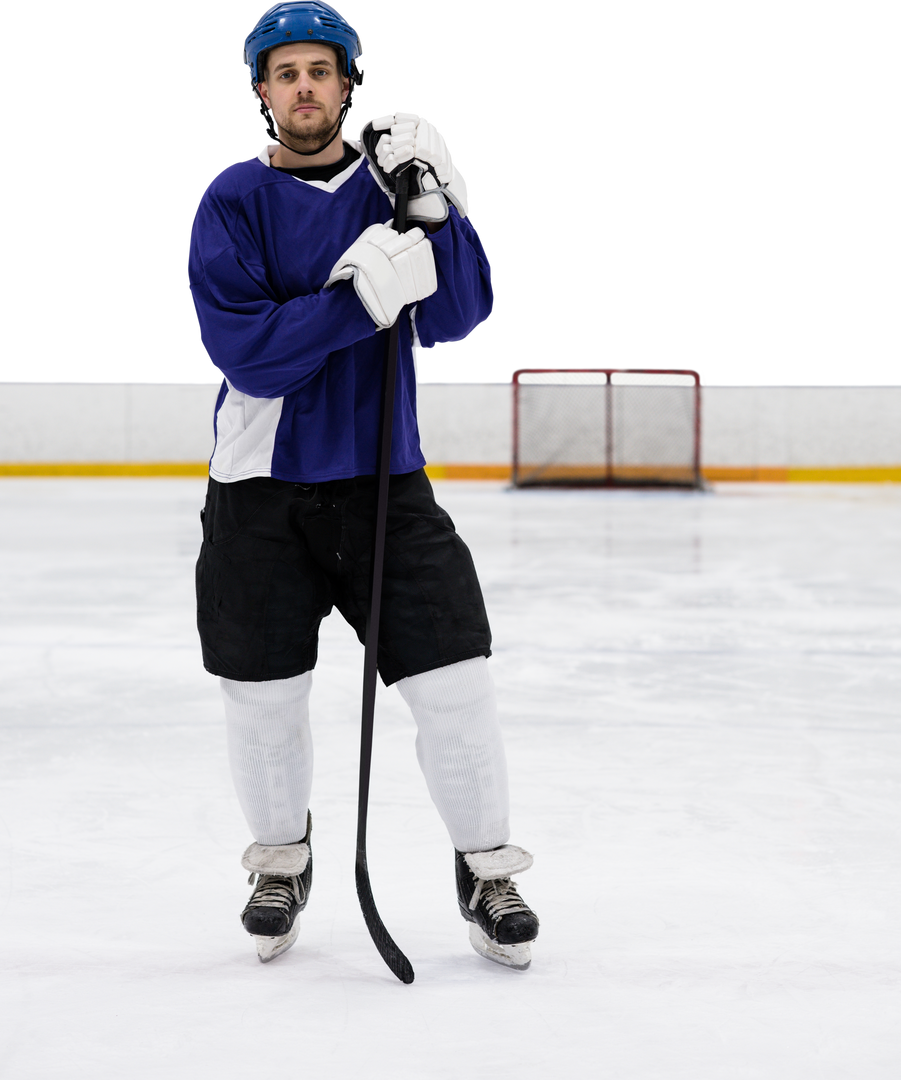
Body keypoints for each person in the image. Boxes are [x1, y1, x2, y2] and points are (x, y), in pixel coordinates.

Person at [185, 0, 539, 970]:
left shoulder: (390, 183)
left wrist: (440, 200)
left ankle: (485, 867)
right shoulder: (230, 199)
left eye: (321, 70)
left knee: (456, 685)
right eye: (285, 72)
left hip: (388, 485)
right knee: (261, 697)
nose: (305, 87)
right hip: (260, 493)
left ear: (349, 86)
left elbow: (461, 313)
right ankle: (282, 860)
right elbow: (251, 357)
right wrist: (352, 302)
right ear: (261, 92)